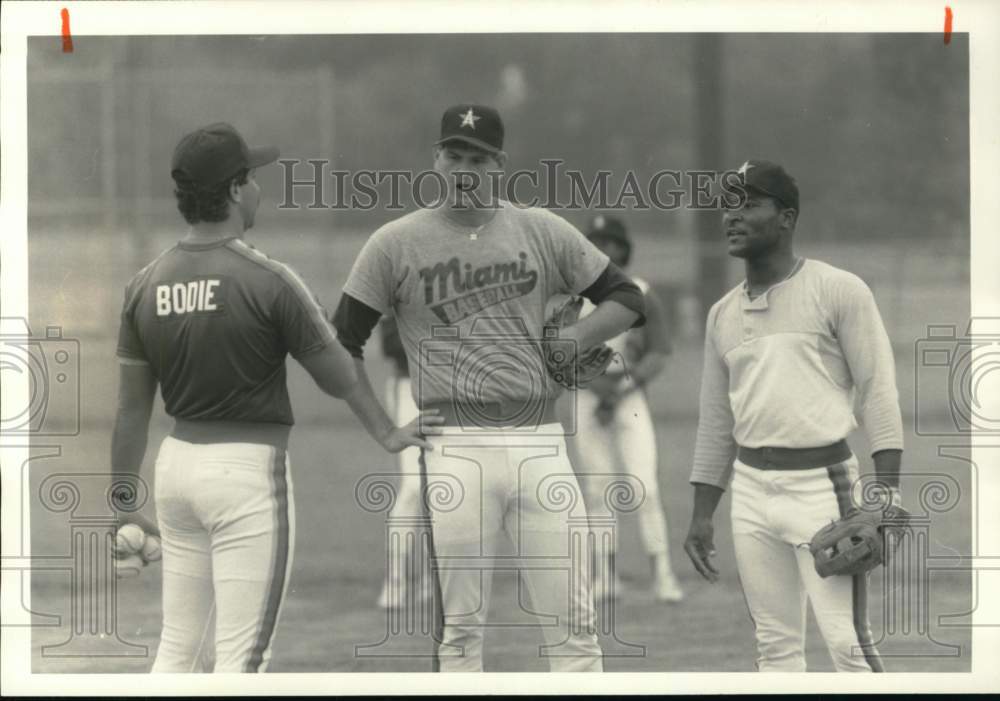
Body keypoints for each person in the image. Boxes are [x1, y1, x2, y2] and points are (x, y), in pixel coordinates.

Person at [111, 122, 436, 673]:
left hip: (175, 472)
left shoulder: (144, 282)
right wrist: (385, 430)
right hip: (245, 475)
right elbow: (337, 377)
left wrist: (120, 501)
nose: (259, 188)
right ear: (235, 190)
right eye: (253, 177)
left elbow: (131, 409)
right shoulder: (271, 278)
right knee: (244, 658)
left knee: (178, 648)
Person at [332, 104, 645, 672]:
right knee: (459, 635)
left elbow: (627, 298)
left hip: (541, 441)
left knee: (574, 630)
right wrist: (383, 428)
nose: (464, 169)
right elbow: (340, 343)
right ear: (436, 158)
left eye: (478, 158)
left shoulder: (541, 229)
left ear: (499, 164)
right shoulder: (395, 243)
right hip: (453, 446)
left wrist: (573, 339)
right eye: (454, 155)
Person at [682, 160, 904, 672]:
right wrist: (701, 513)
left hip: (823, 487)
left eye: (749, 203)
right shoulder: (722, 314)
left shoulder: (837, 290)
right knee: (775, 650)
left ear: (786, 217)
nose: (732, 216)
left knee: (848, 643)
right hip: (751, 493)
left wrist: (886, 496)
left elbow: (878, 391)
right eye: (727, 205)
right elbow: (718, 422)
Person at [568, 214, 684, 603]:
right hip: (588, 400)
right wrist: (600, 390)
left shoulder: (642, 292)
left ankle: (663, 574)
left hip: (631, 401)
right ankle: (606, 576)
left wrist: (619, 392)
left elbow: (660, 352)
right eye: (596, 240)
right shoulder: (573, 299)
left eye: (611, 241)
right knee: (599, 488)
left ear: (623, 248)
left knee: (644, 487)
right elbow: (559, 355)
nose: (603, 248)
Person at [375, 316, 431, 609]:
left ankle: (428, 579)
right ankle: (396, 579)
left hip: (451, 389)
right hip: (409, 386)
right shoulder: (401, 274)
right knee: (414, 485)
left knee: (440, 485)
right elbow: (390, 343)